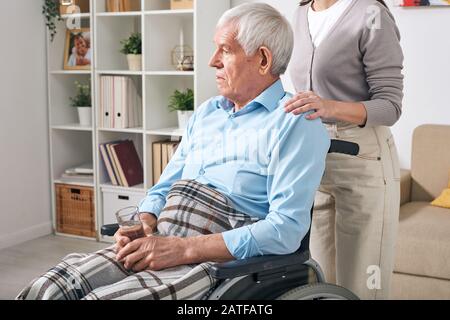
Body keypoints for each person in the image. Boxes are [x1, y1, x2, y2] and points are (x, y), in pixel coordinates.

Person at [17, 3, 330, 300]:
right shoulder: (208, 113)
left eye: (225, 50)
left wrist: (184, 249)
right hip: (161, 238)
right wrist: (147, 220)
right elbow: (165, 186)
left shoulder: (296, 123)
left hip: (211, 260)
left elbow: (285, 230)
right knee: (48, 287)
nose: (212, 61)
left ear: (262, 59)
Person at [285, 0, 403, 299]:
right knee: (325, 287)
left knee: (363, 287)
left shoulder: (371, 13)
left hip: (363, 160)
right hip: (315, 162)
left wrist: (328, 106)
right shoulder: (300, 14)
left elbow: (389, 107)